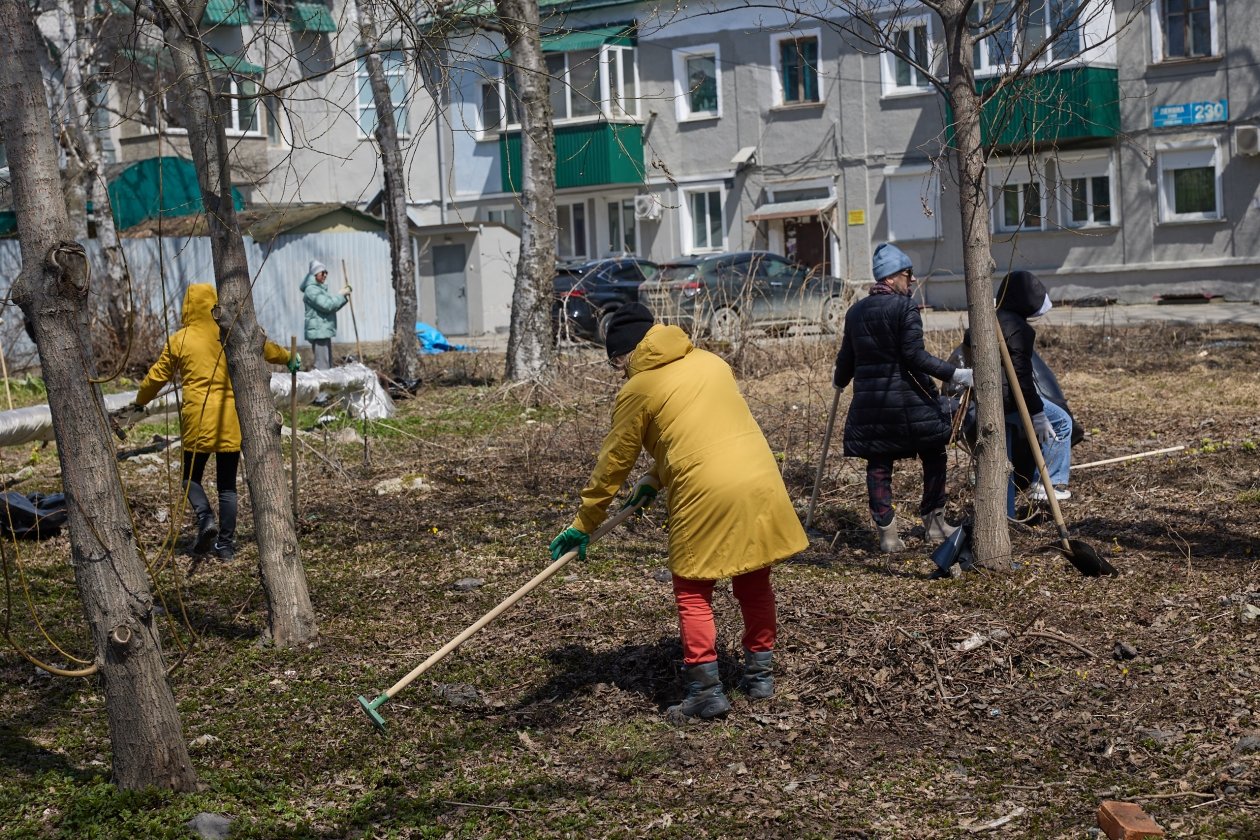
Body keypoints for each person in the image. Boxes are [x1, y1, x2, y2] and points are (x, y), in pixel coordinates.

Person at [549, 303, 807, 722]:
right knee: (753, 577)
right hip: (758, 477)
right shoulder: (710, 362)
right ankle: (760, 676)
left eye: (617, 363)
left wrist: (584, 524)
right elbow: (701, 432)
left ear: (624, 354)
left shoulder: (638, 389)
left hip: (705, 489)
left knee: (692, 589)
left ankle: (705, 692)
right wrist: (655, 477)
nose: (619, 373)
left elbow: (612, 465)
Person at [133, 284, 299, 560]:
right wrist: (288, 357)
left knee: (189, 478)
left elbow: (156, 377)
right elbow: (264, 348)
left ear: (187, 307)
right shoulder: (230, 332)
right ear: (213, 305)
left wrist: (141, 400)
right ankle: (226, 545)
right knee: (227, 486)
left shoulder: (180, 340)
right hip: (229, 420)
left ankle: (205, 518)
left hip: (197, 421)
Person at [832, 243, 973, 553]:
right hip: (910, 404)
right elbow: (913, 355)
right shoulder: (904, 308)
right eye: (909, 275)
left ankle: (888, 536)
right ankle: (934, 525)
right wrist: (955, 374)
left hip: (871, 406)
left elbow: (847, 358)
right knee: (934, 454)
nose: (912, 282)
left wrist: (839, 381)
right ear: (894, 277)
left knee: (879, 465)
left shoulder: (855, 312)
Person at [994, 270, 1073, 515]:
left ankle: (1006, 516)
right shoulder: (1018, 328)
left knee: (1002, 461)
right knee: (1061, 421)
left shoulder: (992, 319)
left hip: (989, 400)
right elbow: (1021, 376)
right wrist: (1036, 412)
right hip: (1008, 400)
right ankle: (1049, 483)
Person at [300, 260, 351, 370]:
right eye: (322, 272)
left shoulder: (318, 289)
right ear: (315, 274)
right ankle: (323, 386)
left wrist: (342, 297)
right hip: (319, 332)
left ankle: (326, 386)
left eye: (326, 272)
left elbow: (332, 306)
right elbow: (327, 305)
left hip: (322, 331)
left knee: (327, 365)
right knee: (323, 366)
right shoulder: (311, 290)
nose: (325, 275)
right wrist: (340, 295)